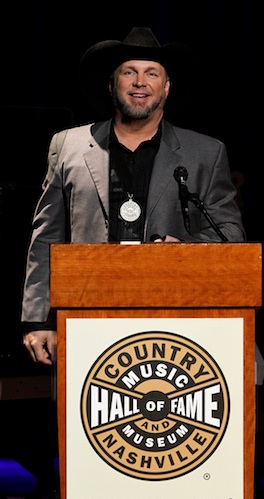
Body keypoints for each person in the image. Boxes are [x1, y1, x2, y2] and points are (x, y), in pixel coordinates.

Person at [21, 26, 246, 365]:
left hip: (175, 326)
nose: (140, 82)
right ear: (113, 85)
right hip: (86, 319)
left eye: (151, 73)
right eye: (130, 72)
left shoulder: (206, 153)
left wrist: (183, 250)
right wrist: (38, 320)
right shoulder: (67, 145)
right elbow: (46, 237)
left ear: (166, 87)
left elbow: (231, 234)